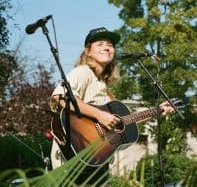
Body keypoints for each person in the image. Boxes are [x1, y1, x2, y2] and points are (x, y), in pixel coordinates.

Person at [49, 27, 174, 185]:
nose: (106, 48)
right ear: (88, 51)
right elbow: (60, 96)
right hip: (74, 154)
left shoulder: (103, 87)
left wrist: (157, 111)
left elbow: (119, 123)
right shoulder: (83, 72)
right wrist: (100, 115)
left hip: (96, 158)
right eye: (100, 44)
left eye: (110, 45)